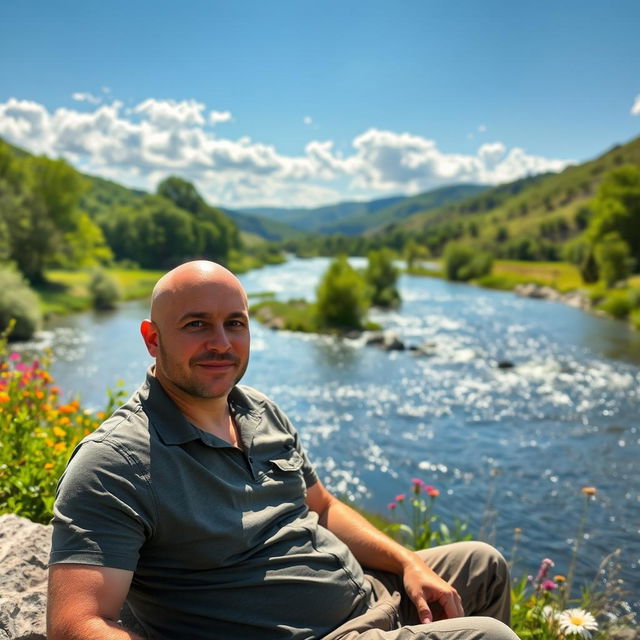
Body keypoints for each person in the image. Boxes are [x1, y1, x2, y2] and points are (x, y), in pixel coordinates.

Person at [47, 260, 519, 640]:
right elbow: (76, 623)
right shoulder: (116, 463)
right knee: (489, 636)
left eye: (235, 324)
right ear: (153, 339)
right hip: (325, 634)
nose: (221, 343)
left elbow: (324, 509)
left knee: (483, 564)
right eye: (197, 325)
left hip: (369, 597)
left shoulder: (259, 411)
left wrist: (408, 563)